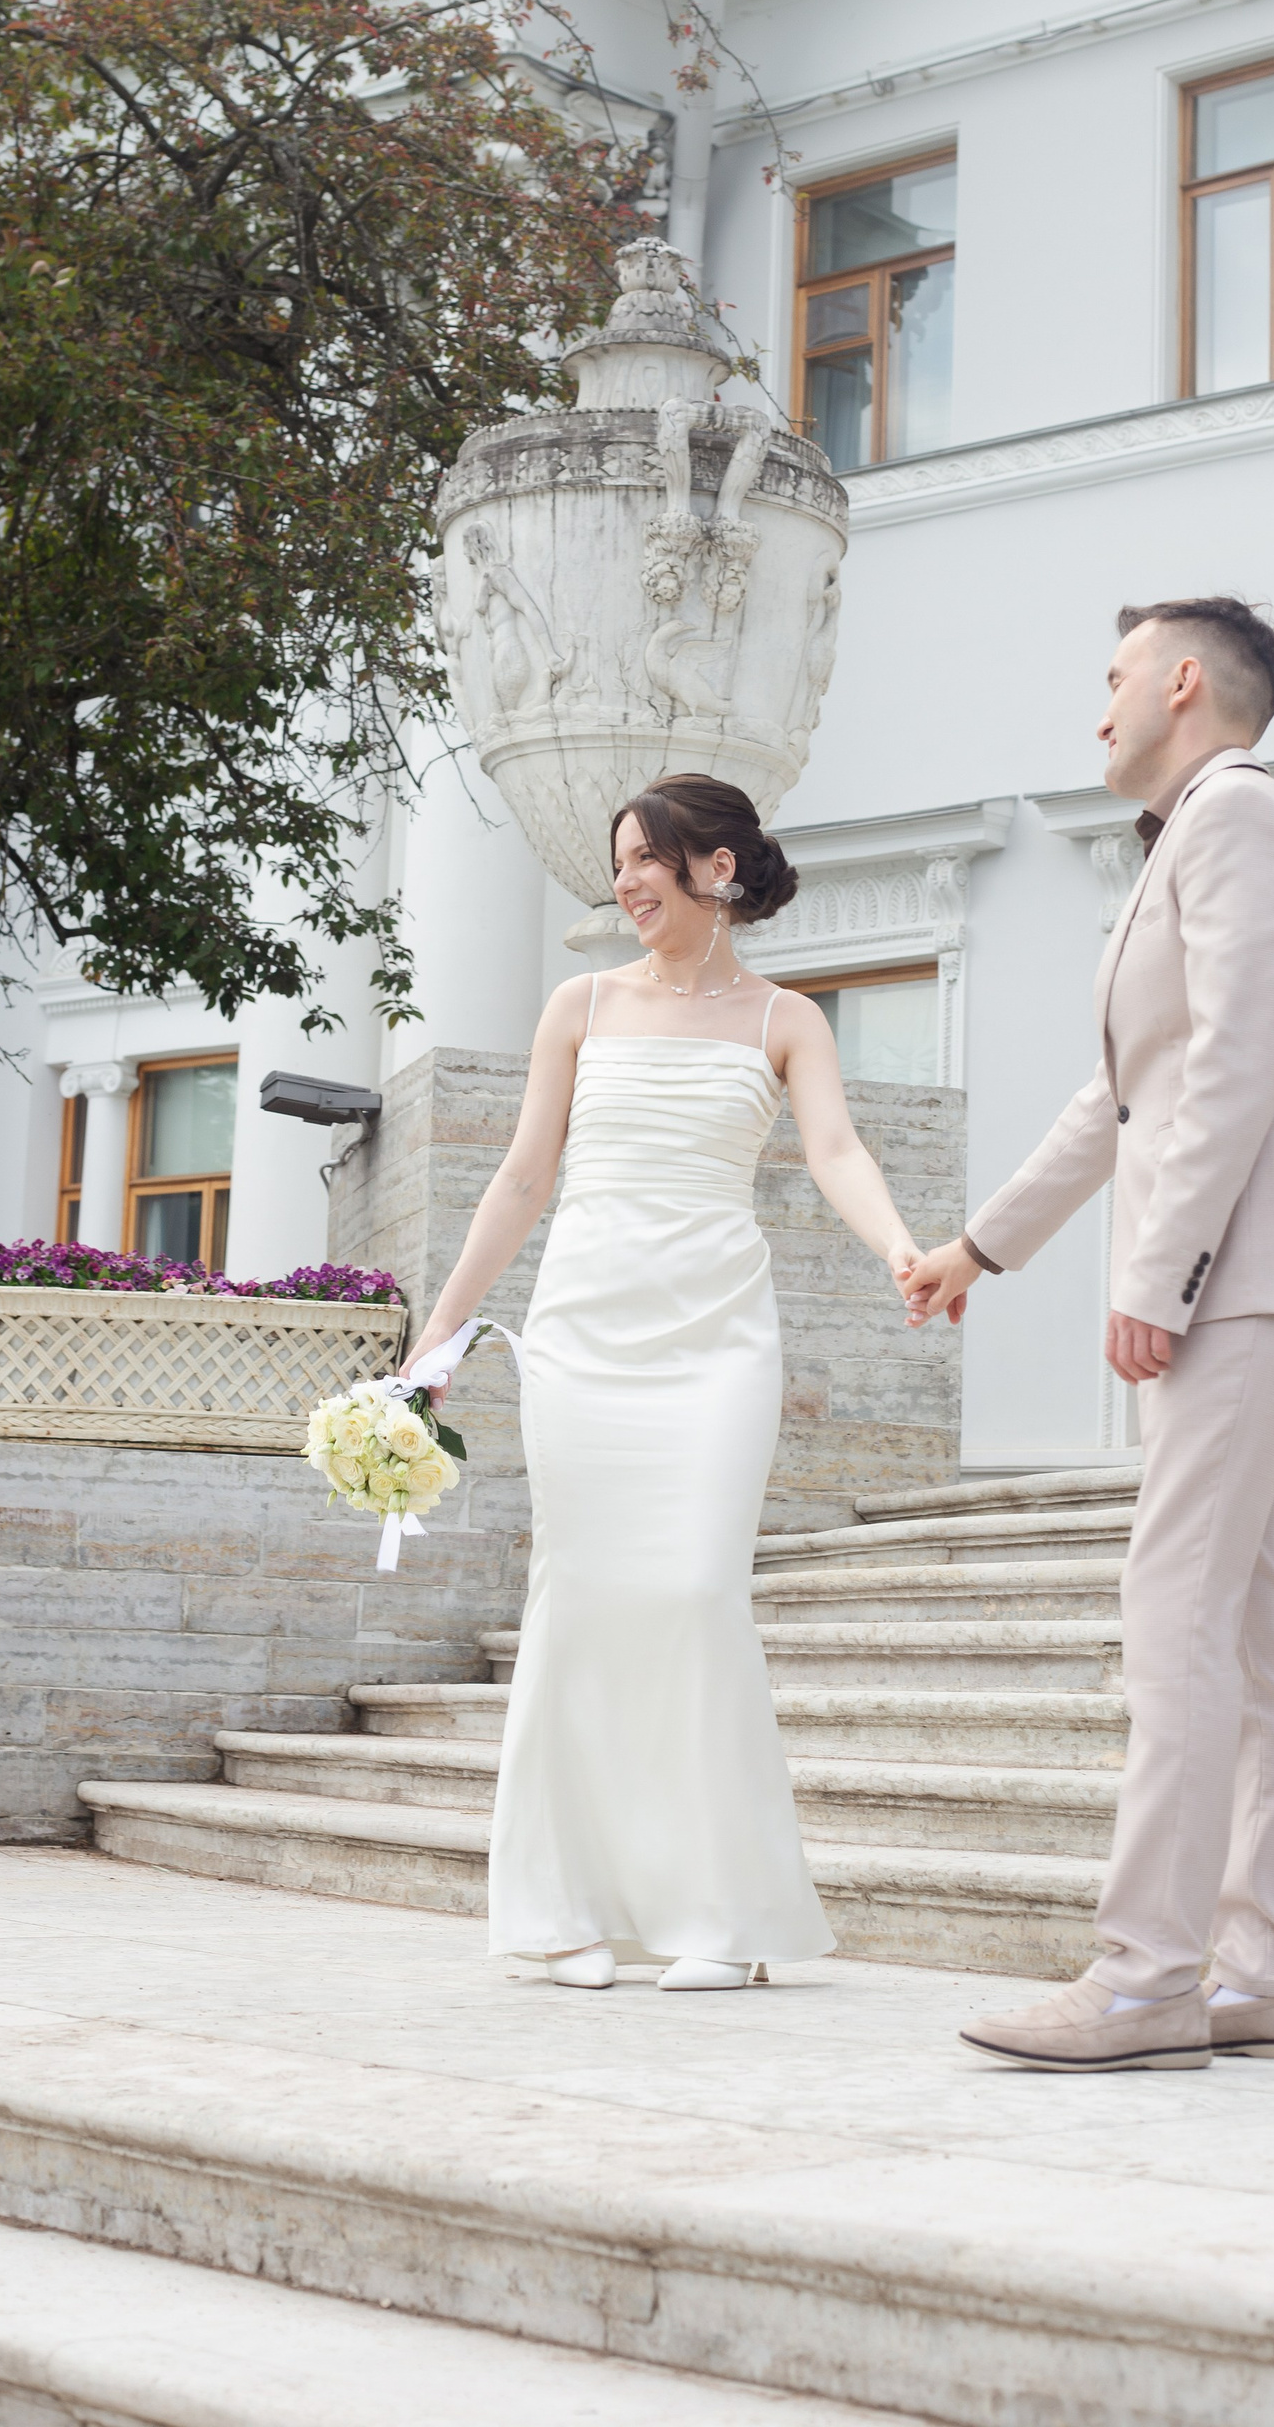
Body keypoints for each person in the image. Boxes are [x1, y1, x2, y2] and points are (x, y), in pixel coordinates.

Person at [907, 598, 1274, 2073]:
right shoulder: (1198, 837)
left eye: (1113, 677)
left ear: (1182, 682)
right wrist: (981, 1245)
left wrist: (1159, 1278)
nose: (1098, 707)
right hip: (1255, 1275)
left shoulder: (1239, 819)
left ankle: (1147, 1974)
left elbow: (1235, 1069)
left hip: (1247, 1279)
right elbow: (1126, 1094)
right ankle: (1270, 1970)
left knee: (1172, 1611)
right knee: (1251, 1639)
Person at [407, 772, 926, 1991]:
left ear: (718, 867)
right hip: (586, 1335)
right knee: (580, 1599)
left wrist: (902, 1248)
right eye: (621, 861)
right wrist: (441, 1334)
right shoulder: (580, 1005)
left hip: (717, 1337)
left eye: (649, 857)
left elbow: (836, 1149)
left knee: (696, 1594)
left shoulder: (786, 1021)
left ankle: (722, 1920)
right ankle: (561, 1911)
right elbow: (521, 1179)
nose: (628, 881)